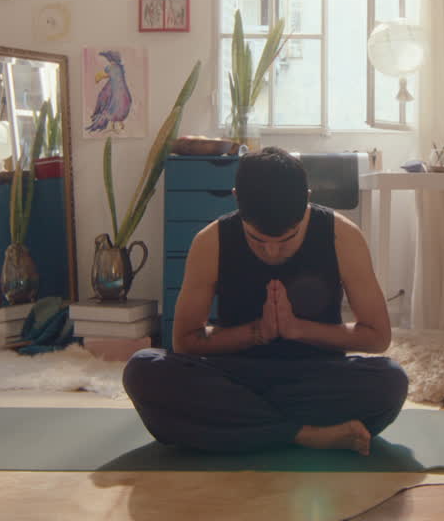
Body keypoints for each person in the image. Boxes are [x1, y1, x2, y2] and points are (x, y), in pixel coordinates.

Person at [123, 147, 407, 455]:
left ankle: (241, 427)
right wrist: (256, 332)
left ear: (307, 198)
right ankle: (303, 434)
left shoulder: (343, 236)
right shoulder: (210, 242)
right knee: (142, 370)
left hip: (315, 377)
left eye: (287, 239)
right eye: (258, 239)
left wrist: (298, 329)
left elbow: (378, 337)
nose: (272, 252)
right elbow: (185, 341)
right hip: (235, 377)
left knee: (390, 381)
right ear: (237, 198)